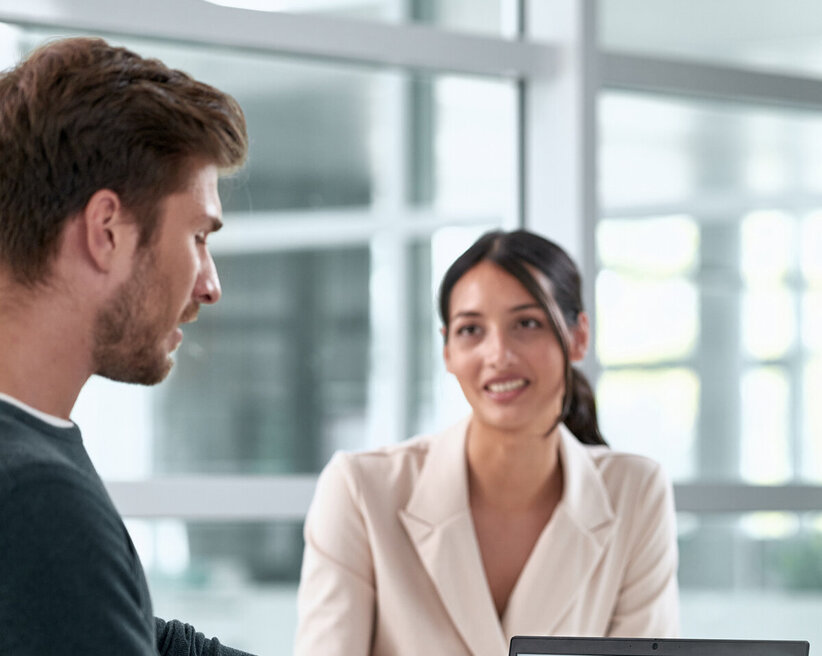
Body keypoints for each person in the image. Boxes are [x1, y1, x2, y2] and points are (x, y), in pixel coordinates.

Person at [295, 229, 680, 656]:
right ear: (447, 353)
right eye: (471, 330)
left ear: (578, 337)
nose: (498, 354)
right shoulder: (360, 490)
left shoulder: (635, 491)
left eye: (527, 324)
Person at [0, 37, 255, 655]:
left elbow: (139, 634)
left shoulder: (28, 452)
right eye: (198, 236)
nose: (210, 285)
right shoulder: (39, 501)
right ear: (106, 230)